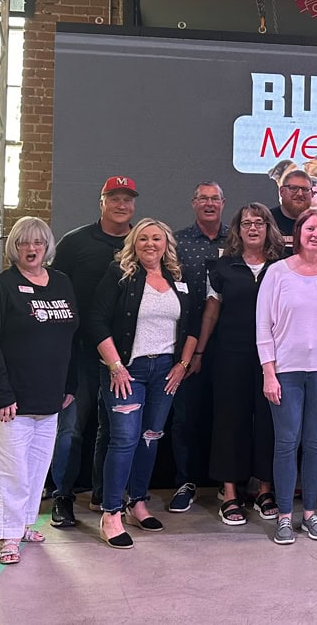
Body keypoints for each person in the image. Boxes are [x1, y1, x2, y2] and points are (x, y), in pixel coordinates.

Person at [88, 218, 199, 548]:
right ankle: (111, 513)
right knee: (124, 438)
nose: (150, 244)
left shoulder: (177, 278)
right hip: (127, 370)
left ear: (166, 244)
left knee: (150, 436)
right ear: (133, 244)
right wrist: (115, 366)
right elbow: (96, 321)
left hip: (165, 371)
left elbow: (192, 326)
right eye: (143, 239)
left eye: (156, 238)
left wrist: (183, 364)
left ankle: (137, 502)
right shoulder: (120, 275)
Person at [0, 217, 79, 564]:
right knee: (12, 472)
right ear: (14, 247)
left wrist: (70, 384)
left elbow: (71, 336)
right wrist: (2, 393)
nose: (31, 248)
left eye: (38, 242)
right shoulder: (2, 287)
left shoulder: (62, 282)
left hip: (50, 397)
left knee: (36, 469)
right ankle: (7, 536)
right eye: (23, 242)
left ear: (47, 246)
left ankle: (23, 525)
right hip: (11, 401)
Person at [256, 209, 317, 544]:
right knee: (286, 443)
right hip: (285, 371)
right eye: (310, 228)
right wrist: (269, 373)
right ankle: (284, 516)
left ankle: (310, 513)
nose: (316, 234)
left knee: (316, 443)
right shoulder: (277, 272)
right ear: (298, 232)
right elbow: (263, 328)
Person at [48, 175, 137, 528]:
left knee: (115, 429)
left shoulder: (141, 241)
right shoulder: (75, 242)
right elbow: (52, 288)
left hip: (126, 355)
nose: (121, 204)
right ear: (101, 202)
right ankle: (62, 496)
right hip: (81, 352)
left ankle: (104, 494)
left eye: (127, 199)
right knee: (71, 429)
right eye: (114, 198)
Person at [197, 203, 284, 526]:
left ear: (269, 228)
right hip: (230, 354)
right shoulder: (222, 267)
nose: (253, 228)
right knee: (229, 421)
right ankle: (230, 492)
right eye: (247, 223)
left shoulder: (281, 267)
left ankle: (264, 490)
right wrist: (198, 353)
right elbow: (211, 312)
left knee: (268, 421)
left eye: (259, 223)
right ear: (237, 229)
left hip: (273, 358)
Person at [167, 181, 229, 513]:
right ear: (193, 203)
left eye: (214, 198)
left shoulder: (236, 241)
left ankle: (227, 482)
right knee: (186, 416)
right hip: (187, 341)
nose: (209, 203)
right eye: (203, 198)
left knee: (227, 415)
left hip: (231, 343)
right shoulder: (177, 242)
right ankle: (185, 481)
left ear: (223, 203)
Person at [271, 169, 314, 254]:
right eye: (293, 188)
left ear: (312, 194)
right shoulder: (266, 220)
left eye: (305, 189)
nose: (300, 194)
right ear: (281, 191)